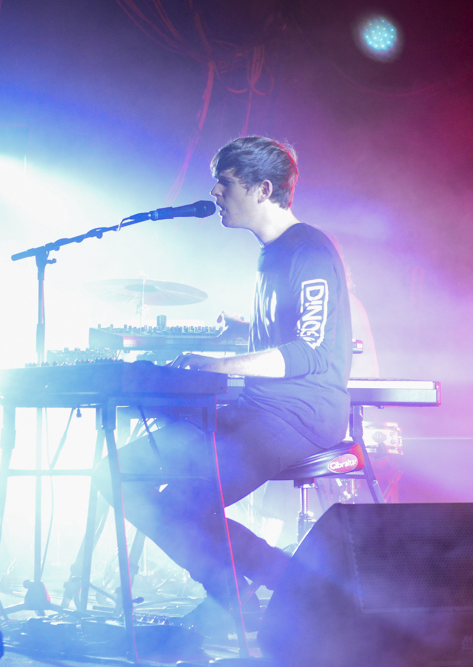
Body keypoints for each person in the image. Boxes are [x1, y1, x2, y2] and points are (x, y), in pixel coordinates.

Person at [97, 136, 353, 634]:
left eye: (226, 182)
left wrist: (218, 364)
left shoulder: (311, 251)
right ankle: (248, 584)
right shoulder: (268, 255)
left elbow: (311, 353)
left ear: (262, 189)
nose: (214, 191)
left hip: (301, 412)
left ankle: (272, 580)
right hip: (259, 407)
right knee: (115, 473)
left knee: (183, 504)